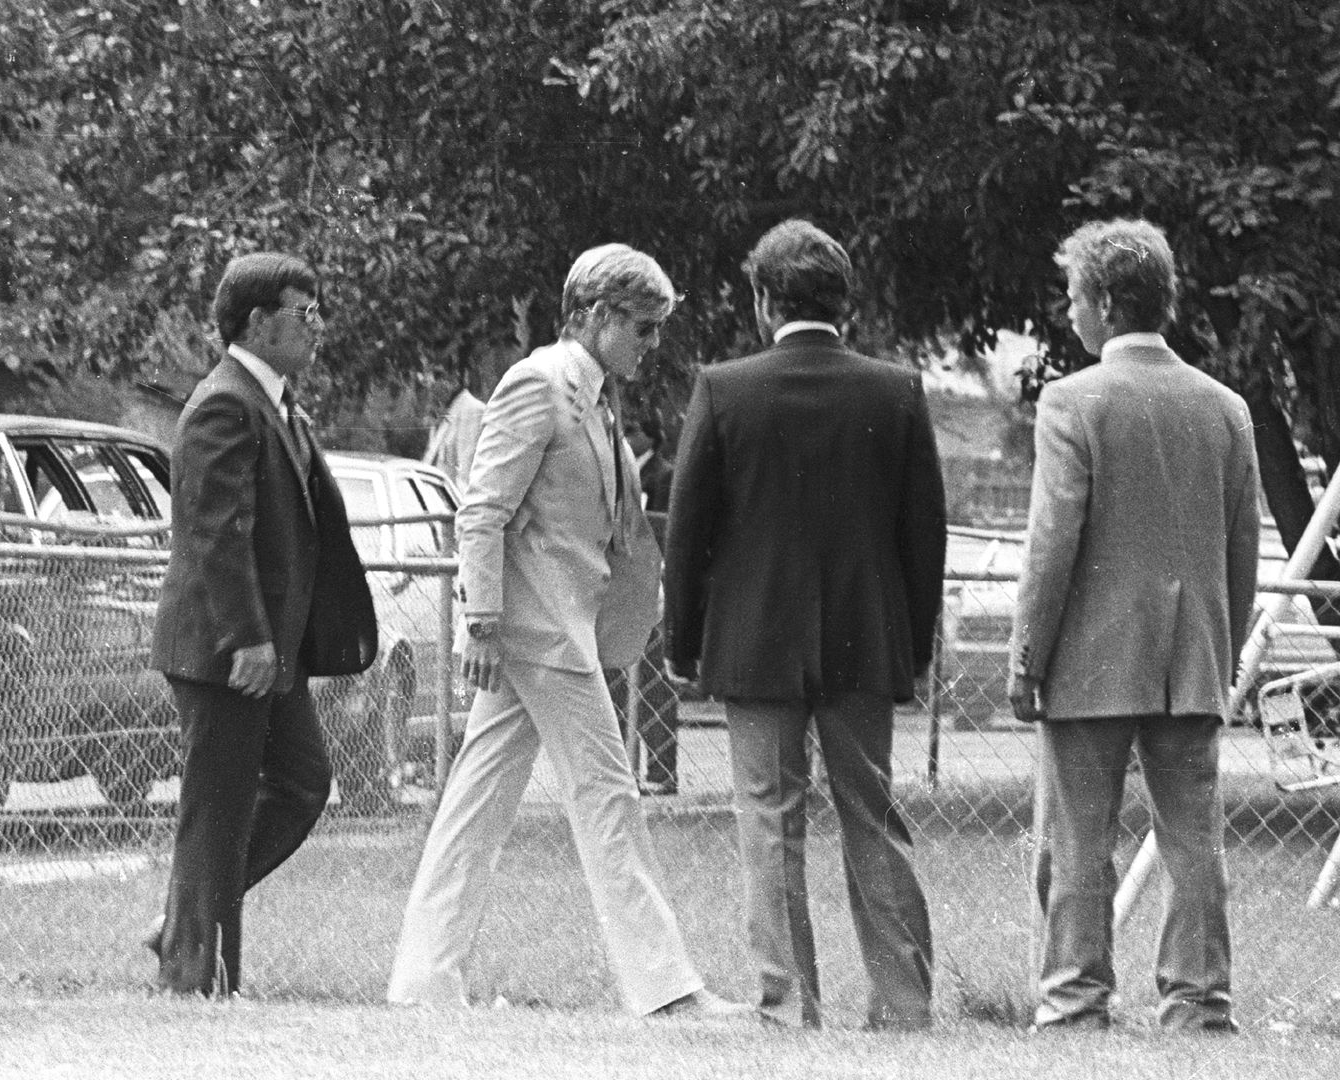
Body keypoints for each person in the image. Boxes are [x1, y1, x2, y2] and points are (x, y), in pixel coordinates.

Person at [388, 244, 757, 1025]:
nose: (652, 344)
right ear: (593, 315)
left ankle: (423, 983)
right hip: (538, 634)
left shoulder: (591, 395)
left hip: (557, 629)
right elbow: (482, 510)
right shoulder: (537, 385)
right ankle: (663, 988)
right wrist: (481, 624)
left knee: (475, 802)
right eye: (644, 326)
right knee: (610, 797)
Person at [663, 219, 946, 1031]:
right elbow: (924, 534)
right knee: (873, 815)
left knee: (767, 820)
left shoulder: (723, 387)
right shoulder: (897, 390)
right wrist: (915, 647)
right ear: (844, 301)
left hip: (753, 642)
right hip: (866, 637)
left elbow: (687, 535)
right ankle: (902, 1002)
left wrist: (684, 643)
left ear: (761, 300)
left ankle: (789, 1006)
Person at [1010, 219, 1258, 1035]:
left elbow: (1052, 546)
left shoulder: (1071, 402)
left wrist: (1025, 657)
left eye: (1075, 296)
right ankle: (1198, 1001)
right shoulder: (1228, 409)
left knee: (1077, 841)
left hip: (1088, 659)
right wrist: (1221, 654)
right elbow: (1241, 550)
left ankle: (1075, 1000)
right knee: (1194, 842)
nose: (1070, 311)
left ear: (1107, 303)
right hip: (1194, 657)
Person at [148, 252, 378, 996]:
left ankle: (184, 929)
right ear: (256, 322)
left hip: (272, 654)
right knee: (217, 812)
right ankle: (200, 981)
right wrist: (247, 638)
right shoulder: (225, 402)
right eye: (302, 314)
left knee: (304, 782)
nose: (318, 328)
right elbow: (213, 531)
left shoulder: (276, 401)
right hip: (229, 651)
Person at [610, 413, 679, 795]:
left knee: (655, 683)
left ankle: (662, 771)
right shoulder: (620, 472)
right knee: (619, 683)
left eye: (633, 429)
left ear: (650, 436)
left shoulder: (663, 475)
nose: (626, 435)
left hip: (654, 588)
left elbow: (664, 527)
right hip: (621, 589)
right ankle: (623, 768)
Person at [423, 365, 486, 497]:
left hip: (452, 507)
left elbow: (466, 476)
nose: (432, 382)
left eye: (438, 376)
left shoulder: (472, 410)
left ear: (455, 379)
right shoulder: (443, 411)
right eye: (430, 376)